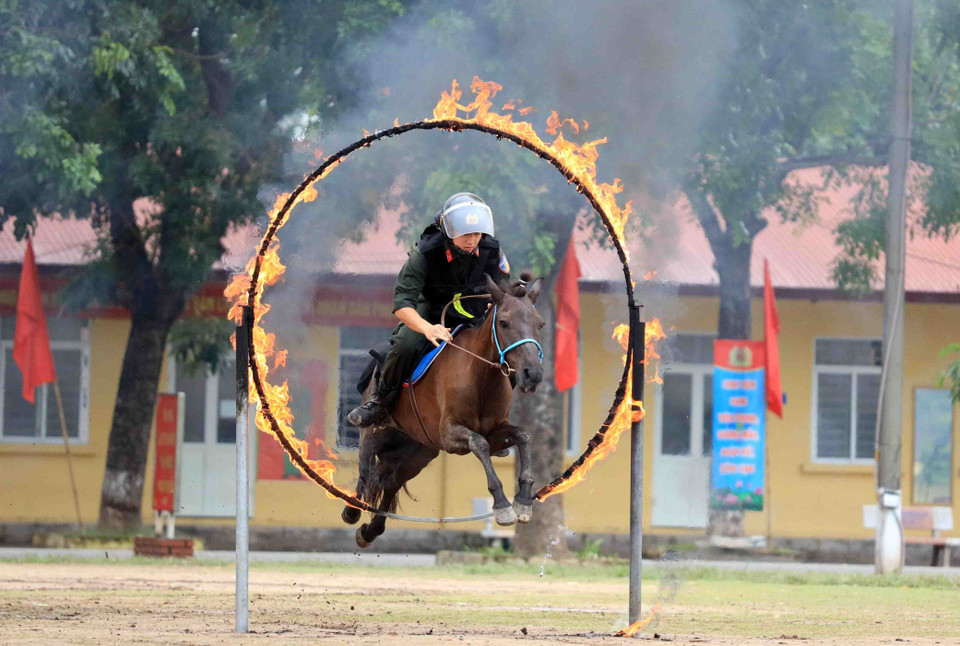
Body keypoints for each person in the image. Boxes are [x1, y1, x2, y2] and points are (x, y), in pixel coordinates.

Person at [347, 192, 511, 427]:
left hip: (475, 314)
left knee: (512, 345)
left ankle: (499, 419)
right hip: (431, 313)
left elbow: (504, 290)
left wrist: (496, 304)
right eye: (464, 234)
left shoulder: (492, 250)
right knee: (406, 345)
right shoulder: (425, 254)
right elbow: (402, 304)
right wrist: (427, 329)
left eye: (476, 233)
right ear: (449, 230)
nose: (471, 239)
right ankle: (380, 402)